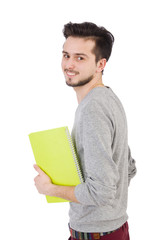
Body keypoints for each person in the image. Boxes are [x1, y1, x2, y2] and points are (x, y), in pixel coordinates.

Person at [34, 22, 137, 240]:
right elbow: (128, 168)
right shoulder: (108, 98)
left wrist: (50, 188)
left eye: (80, 58)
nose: (69, 64)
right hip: (113, 230)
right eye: (66, 55)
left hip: (96, 234)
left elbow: (102, 192)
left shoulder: (93, 108)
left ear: (101, 64)